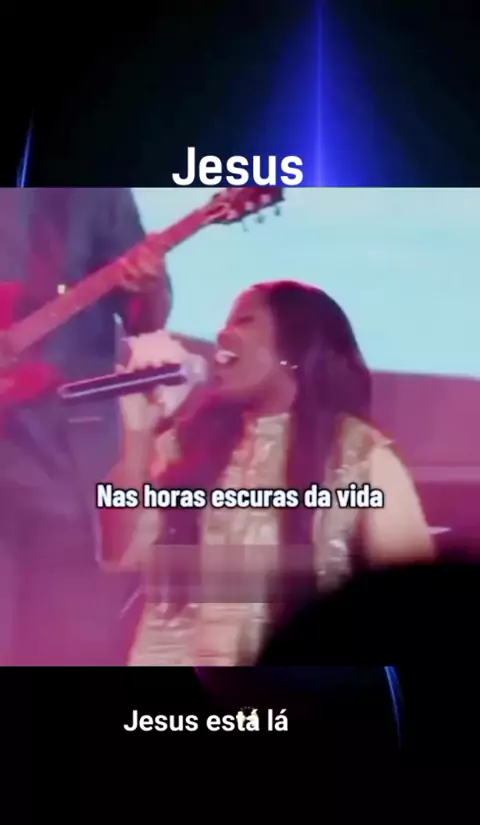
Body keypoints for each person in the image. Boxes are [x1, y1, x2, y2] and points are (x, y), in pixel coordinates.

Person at [101, 280, 434, 667]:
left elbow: (413, 606)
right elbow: (122, 551)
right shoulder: (184, 447)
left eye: (244, 321)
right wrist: (138, 432)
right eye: (226, 321)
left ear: (294, 349)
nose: (222, 334)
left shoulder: (360, 456)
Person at [0, 187, 170, 666]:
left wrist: (149, 284)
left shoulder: (101, 193)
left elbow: (146, 320)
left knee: (62, 631)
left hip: (68, 451)